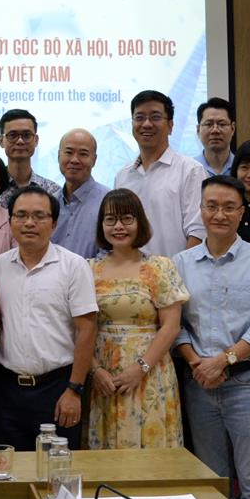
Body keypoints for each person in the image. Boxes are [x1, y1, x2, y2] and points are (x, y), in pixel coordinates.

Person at [173, 175, 250, 499]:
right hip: (199, 385)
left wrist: (223, 360)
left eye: (228, 207)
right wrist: (197, 363)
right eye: (211, 206)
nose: (219, 214)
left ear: (242, 212)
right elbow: (175, 324)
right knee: (213, 484)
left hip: (247, 384)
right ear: (200, 210)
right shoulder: (180, 263)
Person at [0, 186, 98, 449]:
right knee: (10, 467)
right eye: (21, 215)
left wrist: (74, 390)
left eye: (39, 216)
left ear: (54, 223)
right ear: (10, 221)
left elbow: (87, 329)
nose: (29, 223)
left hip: (57, 388)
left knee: (55, 466)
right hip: (7, 390)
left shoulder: (74, 266)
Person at [87, 188, 189, 451]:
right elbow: (80, 329)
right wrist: (95, 370)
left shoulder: (160, 266)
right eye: (110, 220)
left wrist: (140, 368)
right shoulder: (88, 269)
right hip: (102, 376)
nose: (118, 226)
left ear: (139, 222)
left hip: (150, 373)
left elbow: (171, 326)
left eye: (127, 219)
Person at [114, 90, 207, 257]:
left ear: (170, 126)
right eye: (139, 117)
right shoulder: (123, 176)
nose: (146, 124)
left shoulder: (190, 170)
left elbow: (198, 232)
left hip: (175, 271)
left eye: (155, 117)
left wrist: (178, 271)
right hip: (130, 270)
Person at [50, 128, 109, 260]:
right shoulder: (49, 203)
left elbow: (113, 253)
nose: (74, 160)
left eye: (83, 154)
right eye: (69, 152)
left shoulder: (108, 202)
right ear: (59, 156)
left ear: (94, 160)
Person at [0, 109, 61, 207]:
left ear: (36, 140)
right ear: (1, 141)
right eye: (12, 135)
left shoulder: (52, 191)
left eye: (26, 135)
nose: (20, 141)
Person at [194, 97, 236, 176]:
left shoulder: (241, 168)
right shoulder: (189, 168)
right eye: (208, 124)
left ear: (233, 129)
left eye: (222, 124)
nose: (215, 130)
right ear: (198, 130)